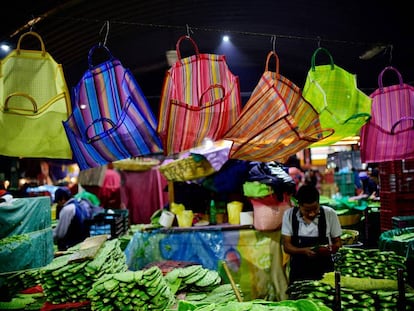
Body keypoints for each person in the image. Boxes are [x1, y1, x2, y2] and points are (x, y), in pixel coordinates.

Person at [281, 184, 342, 284]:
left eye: (315, 209)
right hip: (298, 271)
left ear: (319, 203)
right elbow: (287, 246)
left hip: (325, 272)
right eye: (307, 211)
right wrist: (304, 251)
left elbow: (338, 242)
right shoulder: (289, 215)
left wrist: (329, 249)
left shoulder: (330, 214)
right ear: (298, 205)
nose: (312, 214)